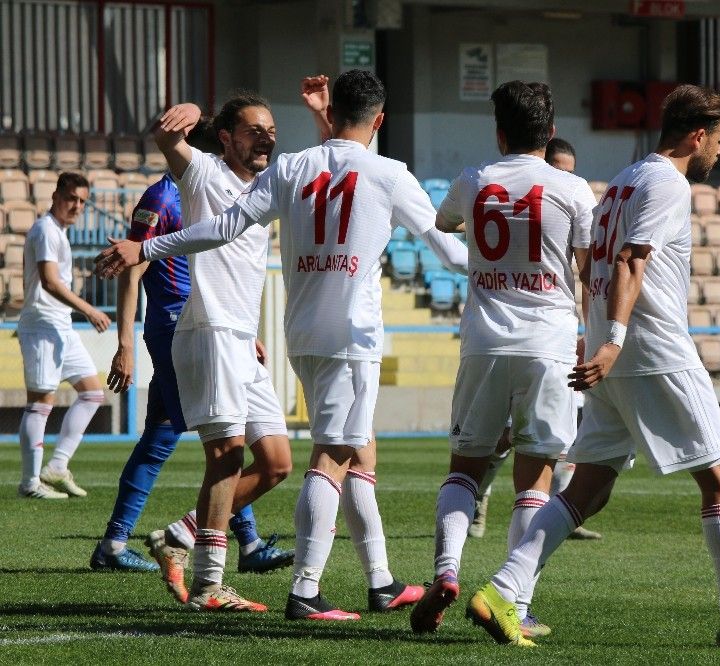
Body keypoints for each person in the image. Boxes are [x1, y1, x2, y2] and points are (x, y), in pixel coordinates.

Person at [95, 69, 467, 621]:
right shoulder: (385, 173)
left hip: (289, 335)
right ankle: (298, 589)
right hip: (330, 334)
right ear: (380, 121)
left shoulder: (289, 169)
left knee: (324, 456)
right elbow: (451, 252)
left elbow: (232, 223)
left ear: (332, 114)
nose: (267, 138)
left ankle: (380, 581)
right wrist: (513, 268)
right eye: (256, 129)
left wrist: (150, 247)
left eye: (272, 129)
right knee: (320, 456)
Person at [464, 84, 720, 648]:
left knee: (589, 487)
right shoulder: (668, 184)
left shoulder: (624, 179)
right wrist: (615, 341)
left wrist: (601, 337)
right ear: (697, 136)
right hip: (652, 350)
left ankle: (503, 592)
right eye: (719, 141)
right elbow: (629, 260)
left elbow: (597, 265)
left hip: (614, 353)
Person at [407, 81, 594, 643]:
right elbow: (589, 271)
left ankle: (446, 571)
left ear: (499, 131)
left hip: (485, 341)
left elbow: (444, 223)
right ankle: (516, 602)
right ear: (550, 132)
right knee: (536, 473)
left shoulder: (475, 179)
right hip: (550, 343)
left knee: (465, 468)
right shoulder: (573, 188)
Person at [89, 119, 291, 575]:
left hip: (208, 325)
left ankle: (119, 542)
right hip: (178, 328)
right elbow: (132, 267)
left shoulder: (212, 193)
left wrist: (244, 331)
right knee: (219, 441)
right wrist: (125, 343)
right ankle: (228, 542)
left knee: (176, 436)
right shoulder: (163, 198)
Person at [469, 135, 603, 543]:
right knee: (506, 436)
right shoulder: (518, 204)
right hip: (513, 333)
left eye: (569, 172)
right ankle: (481, 496)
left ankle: (558, 511)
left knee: (560, 437)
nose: (561, 177)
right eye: (557, 168)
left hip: (554, 335)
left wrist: (590, 331)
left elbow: (588, 277)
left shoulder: (569, 206)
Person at [17, 172, 109, 500]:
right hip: (42, 325)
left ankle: (56, 466)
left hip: (61, 327)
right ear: (56, 196)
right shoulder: (45, 229)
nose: (77, 206)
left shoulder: (59, 231)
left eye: (83, 201)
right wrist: (90, 310)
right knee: (40, 402)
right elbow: (50, 281)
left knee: (92, 393)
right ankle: (30, 483)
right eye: (72, 198)